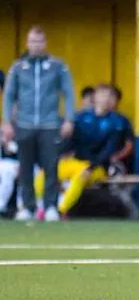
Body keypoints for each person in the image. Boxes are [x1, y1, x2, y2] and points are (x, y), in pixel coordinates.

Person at [3, 26, 76, 222]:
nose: (36, 45)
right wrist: (7, 122)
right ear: (27, 43)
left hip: (50, 124)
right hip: (24, 124)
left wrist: (69, 118)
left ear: (45, 43)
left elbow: (68, 92)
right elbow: (9, 95)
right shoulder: (18, 67)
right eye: (32, 41)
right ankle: (28, 207)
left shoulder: (58, 66)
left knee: (51, 167)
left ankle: (51, 206)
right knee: (25, 168)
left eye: (39, 41)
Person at [34, 84, 129, 217]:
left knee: (79, 178)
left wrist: (92, 166)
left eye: (110, 96)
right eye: (103, 94)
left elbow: (109, 150)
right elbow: (69, 141)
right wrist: (62, 151)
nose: (106, 98)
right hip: (75, 162)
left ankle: (60, 211)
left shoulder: (117, 121)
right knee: (45, 173)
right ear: (95, 97)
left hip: (97, 167)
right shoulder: (80, 117)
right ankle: (40, 208)